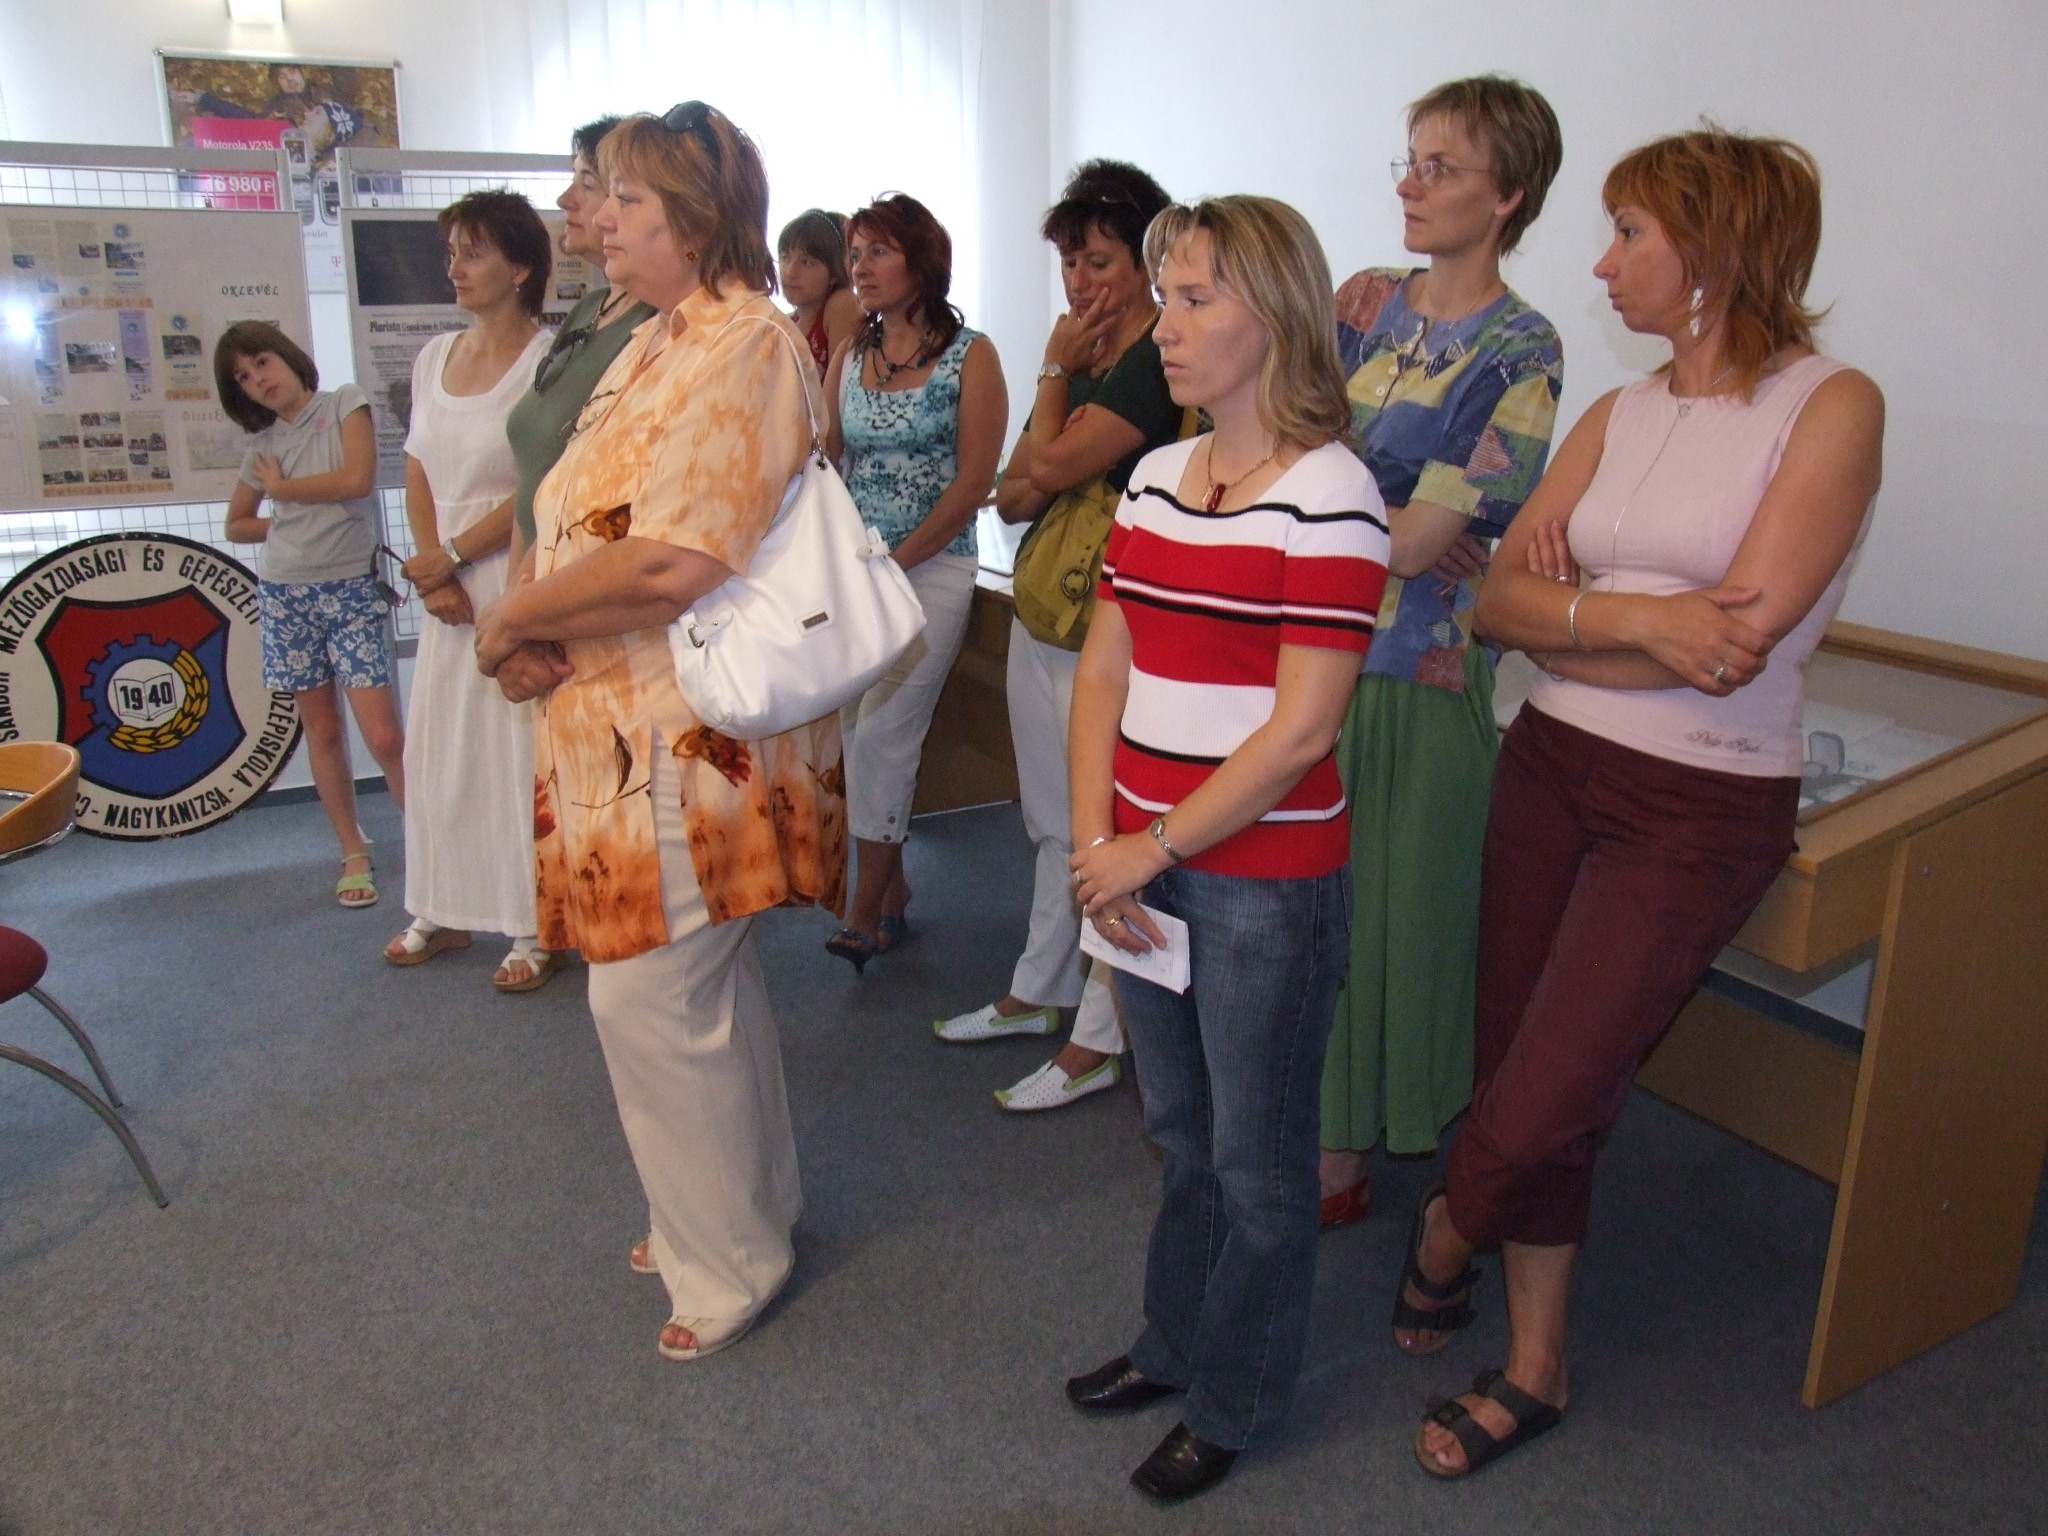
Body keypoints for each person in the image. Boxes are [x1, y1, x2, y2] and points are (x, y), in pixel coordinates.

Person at [1399, 128, 1883, 1479]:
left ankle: (1444, 1228)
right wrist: (1632, 623)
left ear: (1714, 250)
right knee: (1514, 1057)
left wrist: (1576, 622)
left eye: (1629, 235)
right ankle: (1536, 1361)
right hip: (1549, 763)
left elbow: (1735, 642)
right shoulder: (1619, 412)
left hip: (1699, 800)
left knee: (1549, 1093)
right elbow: (1497, 604)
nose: (1603, 265)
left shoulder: (1830, 407)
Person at [473, 102, 846, 1362]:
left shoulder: (742, 341)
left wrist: (510, 620)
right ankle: (733, 1209)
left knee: (653, 997)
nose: (598, 219)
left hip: (683, 737)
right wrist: (533, 628)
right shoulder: (658, 335)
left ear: (695, 218)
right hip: (618, 723)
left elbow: (674, 561)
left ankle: (726, 1259)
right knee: (693, 993)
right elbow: (578, 516)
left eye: (626, 199)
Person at [1064, 196, 1390, 1502]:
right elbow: (1103, 673)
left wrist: (1144, 850)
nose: (1167, 324)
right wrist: (1096, 843)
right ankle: (1174, 1343)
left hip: (1260, 882)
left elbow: (1301, 732)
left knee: (1259, 1163)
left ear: (1277, 314)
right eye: (1167, 296)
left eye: (1196, 298)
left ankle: (1236, 1398)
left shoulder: (1332, 494)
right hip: (1141, 861)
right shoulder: (1156, 475)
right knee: (1182, 1135)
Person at [1319, 76, 1565, 1229]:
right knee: (1311, 909)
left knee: (1401, 919)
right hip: (1312, 653)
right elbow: (1279, 459)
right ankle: (1320, 1129)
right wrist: (1384, 515)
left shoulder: (1523, 347)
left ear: (1507, 195)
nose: (1410, 186)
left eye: (1441, 167)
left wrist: (1345, 514)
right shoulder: (1360, 302)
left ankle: (1366, 1147)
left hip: (1420, 673)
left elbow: (1424, 541)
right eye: (1408, 162)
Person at [936, 160, 1181, 1115]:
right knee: (1051, 818)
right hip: (1049, 607)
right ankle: (1038, 987)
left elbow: (1048, 464)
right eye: (1071, 264)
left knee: (1103, 832)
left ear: (1147, 263)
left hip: (1115, 626)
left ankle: (1100, 1037)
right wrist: (1052, 439)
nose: (1081, 283)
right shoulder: (1090, 357)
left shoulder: (1153, 359)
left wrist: (1050, 375)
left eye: (1100, 262)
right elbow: (1010, 493)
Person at [821, 194, 1007, 971]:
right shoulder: (848, 355)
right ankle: (893, 890)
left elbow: (974, 482)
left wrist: (898, 562)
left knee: (884, 735)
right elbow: (830, 463)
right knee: (853, 735)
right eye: (854, 254)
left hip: (934, 570)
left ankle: (866, 904)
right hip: (856, 575)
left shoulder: (972, 355)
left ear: (921, 260)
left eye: (878, 252)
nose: (859, 268)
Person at [382, 191, 558, 989]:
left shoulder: (548, 362)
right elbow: (418, 465)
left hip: (508, 572)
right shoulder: (433, 356)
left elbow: (539, 483)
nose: (455, 268)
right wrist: (432, 565)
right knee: (440, 753)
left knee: (510, 753)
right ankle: (440, 908)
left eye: (474, 252)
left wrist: (453, 555)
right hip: (443, 586)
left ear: (520, 268)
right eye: (451, 251)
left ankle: (532, 924)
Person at [217, 320, 406, 908]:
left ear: (287, 356)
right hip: (286, 595)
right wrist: (287, 521)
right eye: (243, 377)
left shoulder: (345, 402)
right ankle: (353, 850)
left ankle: (432, 844)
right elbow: (236, 525)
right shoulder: (262, 446)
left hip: (351, 590)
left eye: (262, 362)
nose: (258, 379)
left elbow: (358, 480)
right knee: (322, 731)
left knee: (384, 735)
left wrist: (286, 492)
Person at [505, 116, 659, 568]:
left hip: (582, 576)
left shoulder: (655, 325)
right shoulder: (588, 309)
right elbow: (534, 480)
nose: (564, 200)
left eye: (586, 184)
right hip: (536, 576)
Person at [777, 208, 861, 379]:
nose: (790, 272)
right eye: (785, 257)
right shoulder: (785, 322)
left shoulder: (841, 304)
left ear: (834, 273)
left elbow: (841, 387)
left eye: (807, 263)